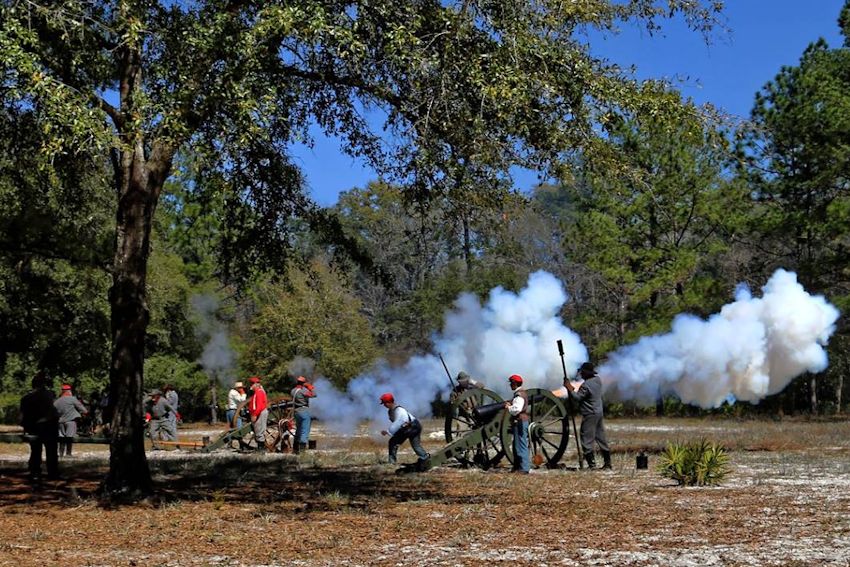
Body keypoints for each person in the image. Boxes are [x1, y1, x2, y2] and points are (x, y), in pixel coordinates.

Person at [564, 362, 611, 470]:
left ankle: (592, 465)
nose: (581, 374)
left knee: (586, 439)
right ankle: (608, 463)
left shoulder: (586, 385)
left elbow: (577, 398)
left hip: (590, 413)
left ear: (585, 373)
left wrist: (569, 388)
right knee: (601, 438)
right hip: (598, 412)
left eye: (582, 372)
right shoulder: (597, 380)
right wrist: (571, 387)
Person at [20, 372, 60, 481]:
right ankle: (52, 473)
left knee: (35, 450)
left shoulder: (26, 398)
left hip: (33, 428)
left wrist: (26, 426)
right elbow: (54, 413)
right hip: (48, 427)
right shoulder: (49, 395)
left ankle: (35, 472)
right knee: (51, 451)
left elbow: (22, 416)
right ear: (44, 384)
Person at [379, 392, 429, 466]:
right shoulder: (391, 411)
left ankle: (392, 462)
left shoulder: (399, 410)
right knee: (414, 445)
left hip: (412, 427)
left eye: (384, 403)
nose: (384, 405)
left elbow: (400, 421)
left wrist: (389, 431)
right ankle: (425, 458)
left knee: (395, 442)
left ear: (389, 402)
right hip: (410, 427)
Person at [503, 374, 530, 473]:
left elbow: (517, 409)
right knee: (517, 444)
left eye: (511, 383)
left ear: (515, 383)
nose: (510, 385)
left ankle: (524, 468)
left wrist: (508, 407)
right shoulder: (519, 393)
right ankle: (518, 466)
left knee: (521, 444)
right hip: (519, 421)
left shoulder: (519, 394)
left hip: (520, 421)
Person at [54, 384, 88, 457]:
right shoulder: (72, 399)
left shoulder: (57, 401)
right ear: (69, 391)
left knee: (61, 438)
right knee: (69, 438)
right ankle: (68, 454)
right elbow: (84, 410)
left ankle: (60, 454)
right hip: (71, 421)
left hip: (60, 422)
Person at [291, 376, 316, 453]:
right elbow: (314, 395)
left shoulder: (293, 390)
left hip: (296, 411)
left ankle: (295, 449)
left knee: (298, 429)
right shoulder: (303, 391)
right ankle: (302, 451)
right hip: (304, 411)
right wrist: (310, 388)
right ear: (303, 383)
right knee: (305, 430)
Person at [248, 376, 268, 451]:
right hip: (258, 413)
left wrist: (255, 414)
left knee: (259, 431)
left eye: (252, 384)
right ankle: (260, 449)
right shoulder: (257, 392)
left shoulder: (259, 392)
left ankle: (261, 451)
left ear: (256, 384)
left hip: (260, 413)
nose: (251, 386)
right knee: (258, 431)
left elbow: (259, 406)